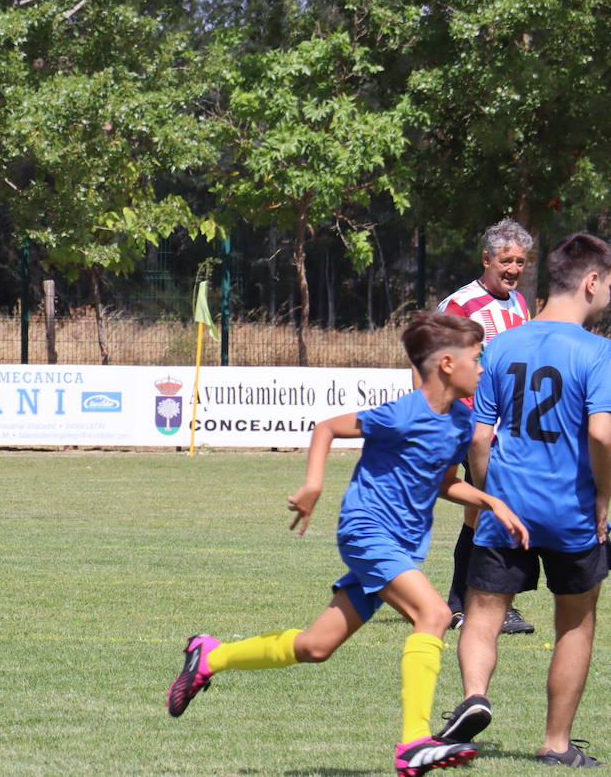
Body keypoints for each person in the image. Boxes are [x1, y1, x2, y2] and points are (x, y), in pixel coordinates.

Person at [167, 311, 530, 777]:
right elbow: (327, 428)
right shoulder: (403, 414)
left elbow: (443, 483)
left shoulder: (460, 423)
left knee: (316, 646)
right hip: (366, 531)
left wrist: (491, 502)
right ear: (445, 363)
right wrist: (314, 485)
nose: (482, 369)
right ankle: (414, 743)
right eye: (476, 359)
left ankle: (209, 656)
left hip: (399, 546)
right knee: (435, 614)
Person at [436, 233, 611, 767]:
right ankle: (556, 744)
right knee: (575, 622)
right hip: (572, 510)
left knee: (483, 615)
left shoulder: (503, 346)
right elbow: (602, 436)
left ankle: (474, 698)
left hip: (506, 505)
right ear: (591, 282)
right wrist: (605, 496)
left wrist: (490, 495)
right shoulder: (599, 352)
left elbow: (479, 437)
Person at [436, 217, 535, 635]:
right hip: (472, 425)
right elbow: (437, 362)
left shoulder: (521, 306)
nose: (513, 269)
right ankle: (490, 605)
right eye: (506, 261)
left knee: (479, 515)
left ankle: (459, 604)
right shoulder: (460, 305)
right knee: (492, 510)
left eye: (520, 262)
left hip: (508, 426)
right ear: (486, 258)